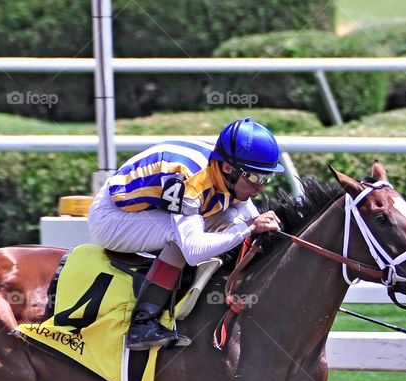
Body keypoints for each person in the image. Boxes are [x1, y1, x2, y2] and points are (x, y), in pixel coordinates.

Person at [87, 117, 284, 350]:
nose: (261, 187)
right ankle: (142, 323)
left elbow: (244, 210)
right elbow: (193, 250)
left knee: (232, 218)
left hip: (147, 208)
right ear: (229, 168)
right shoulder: (188, 180)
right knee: (182, 235)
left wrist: (257, 224)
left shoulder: (225, 169)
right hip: (110, 218)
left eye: (266, 178)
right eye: (255, 178)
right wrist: (249, 228)